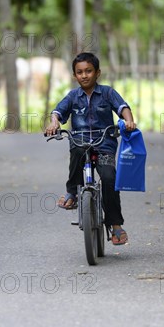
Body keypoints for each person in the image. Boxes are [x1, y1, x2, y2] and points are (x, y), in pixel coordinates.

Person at [45, 52, 136, 245]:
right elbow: (58, 113)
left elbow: (122, 107)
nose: (84, 75)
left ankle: (116, 225)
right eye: (79, 72)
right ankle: (72, 192)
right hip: (80, 142)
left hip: (105, 144)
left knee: (110, 178)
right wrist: (54, 124)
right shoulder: (72, 96)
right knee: (77, 154)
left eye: (88, 71)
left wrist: (128, 120)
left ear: (97, 73)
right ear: (74, 75)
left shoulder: (107, 93)